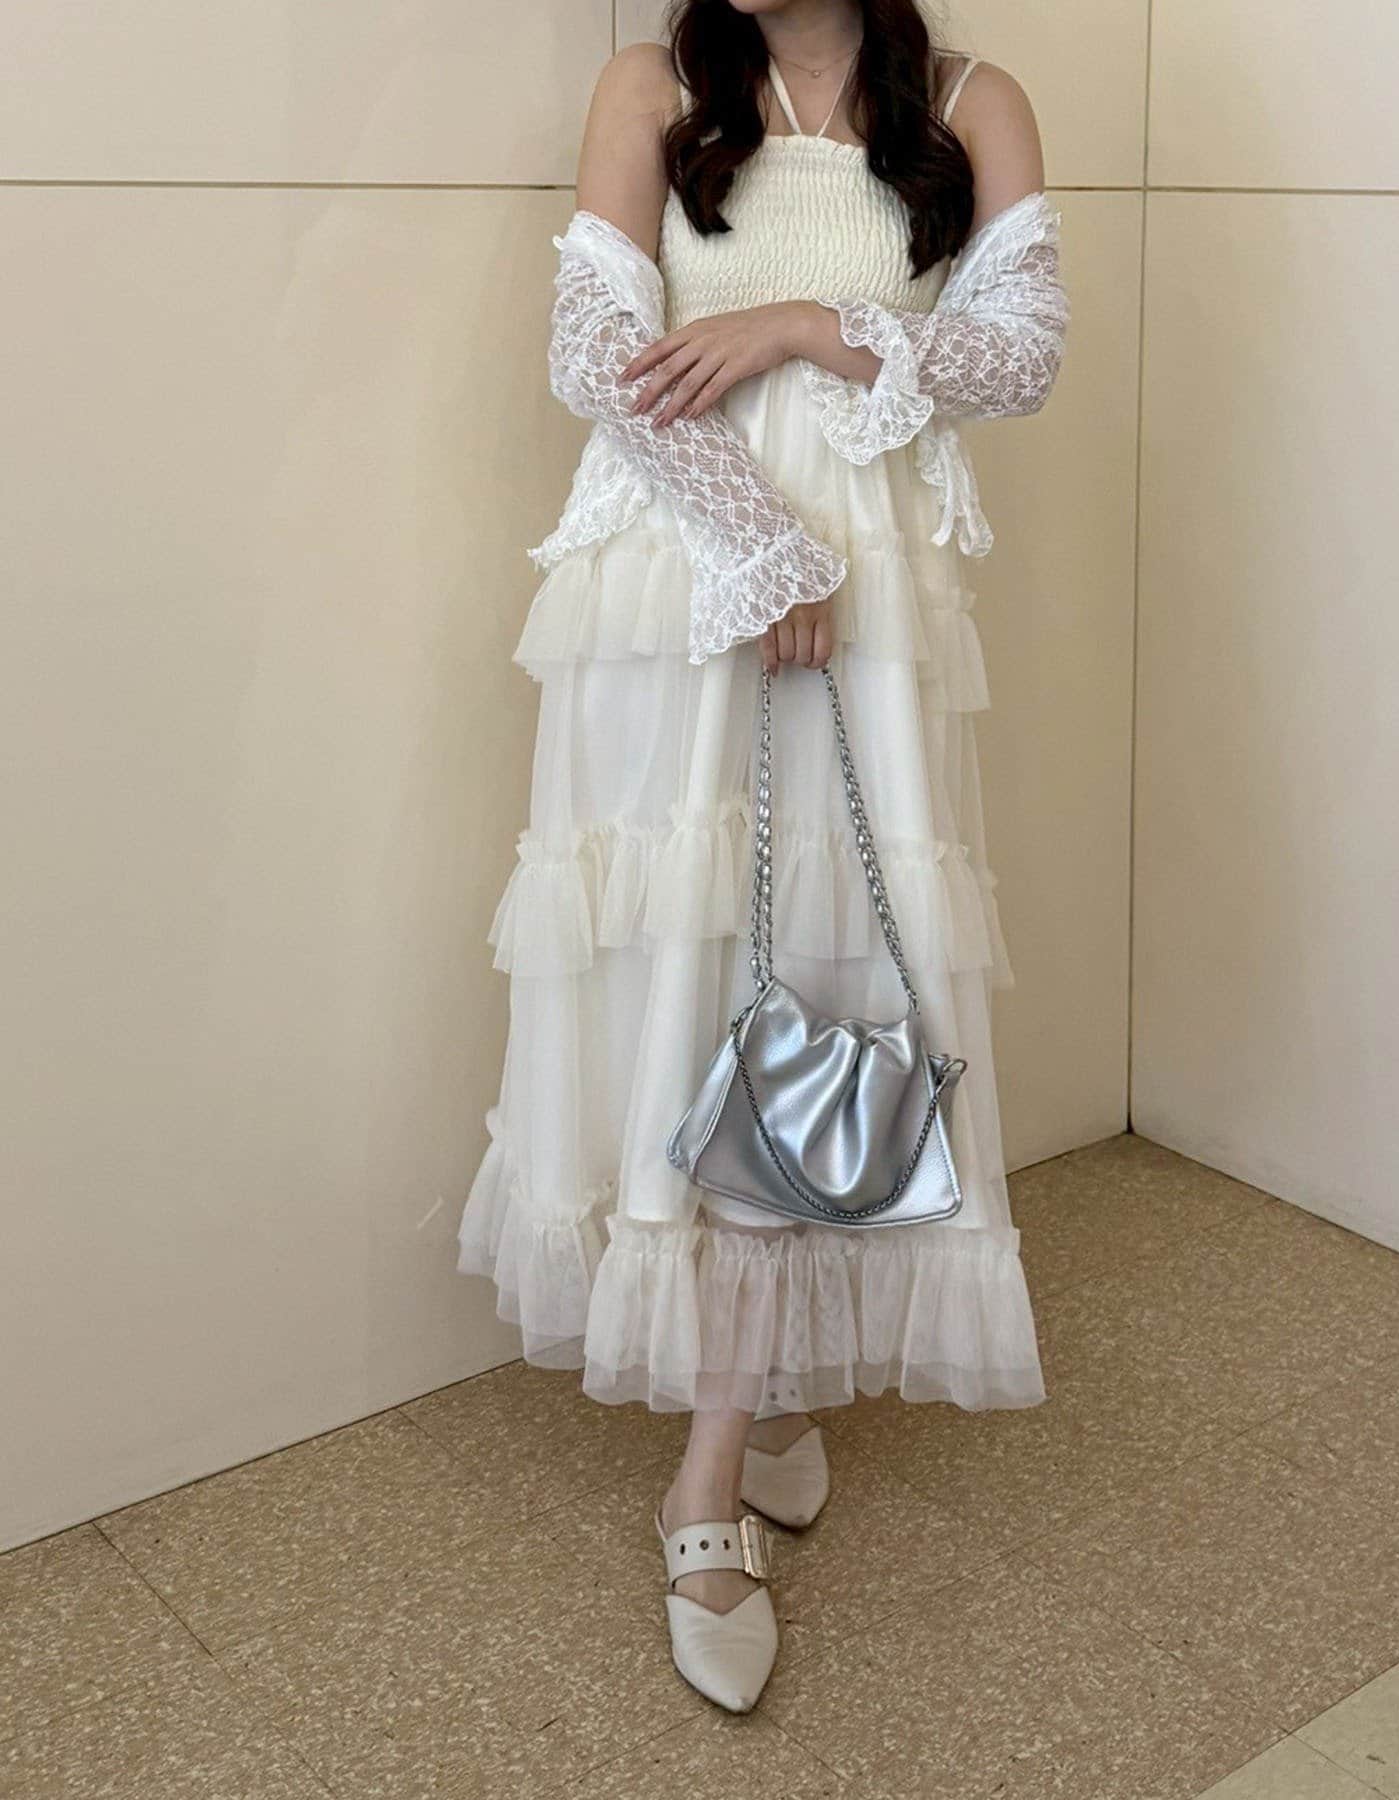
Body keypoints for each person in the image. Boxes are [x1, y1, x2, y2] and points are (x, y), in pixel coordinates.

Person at [458, 0, 1066, 1713]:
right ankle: (717, 1465)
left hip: (873, 592)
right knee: (696, 976)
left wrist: (799, 321)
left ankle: (739, 1409)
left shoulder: (972, 102)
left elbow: (1021, 354)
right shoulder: (651, 84)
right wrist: (761, 545)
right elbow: (597, 349)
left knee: (824, 983)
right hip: (683, 577)